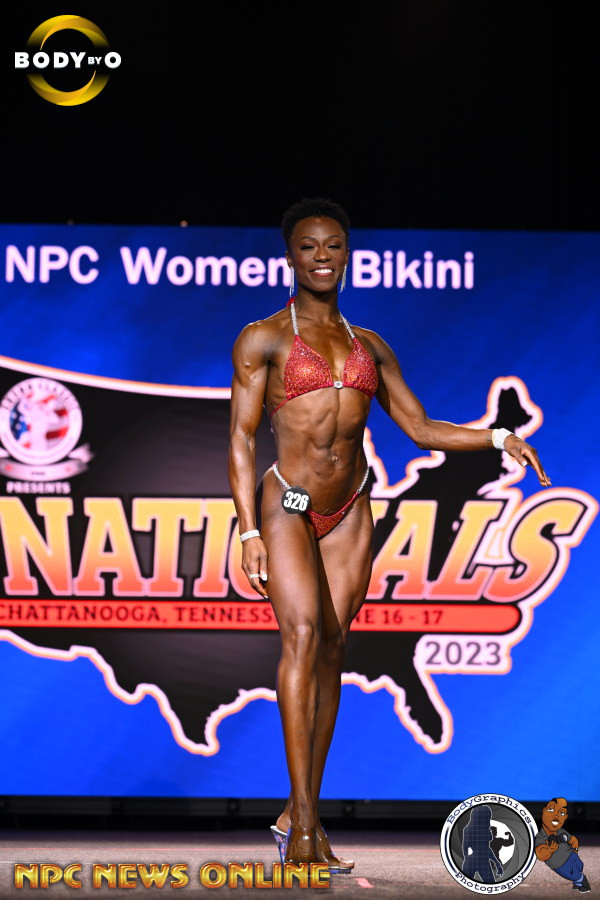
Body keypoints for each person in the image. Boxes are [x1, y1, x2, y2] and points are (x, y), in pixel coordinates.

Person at [228, 198, 551, 870]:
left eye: (333, 245)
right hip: (286, 503)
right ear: (291, 256)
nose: (322, 256)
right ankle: (305, 827)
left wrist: (499, 437)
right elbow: (241, 437)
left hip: (351, 507)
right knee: (302, 635)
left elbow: (422, 428)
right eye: (309, 245)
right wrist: (247, 530)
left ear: (347, 254)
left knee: (332, 650)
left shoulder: (370, 346)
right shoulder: (264, 338)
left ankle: (299, 813)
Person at [535, 798, 590, 893]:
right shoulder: (541, 837)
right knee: (572, 875)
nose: (556, 815)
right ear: (544, 811)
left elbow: (573, 840)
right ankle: (582, 881)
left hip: (571, 856)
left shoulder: (561, 832)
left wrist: (575, 852)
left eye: (562, 813)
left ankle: (577, 883)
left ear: (565, 817)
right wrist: (549, 851)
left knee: (579, 866)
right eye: (551, 809)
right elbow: (540, 855)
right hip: (559, 864)